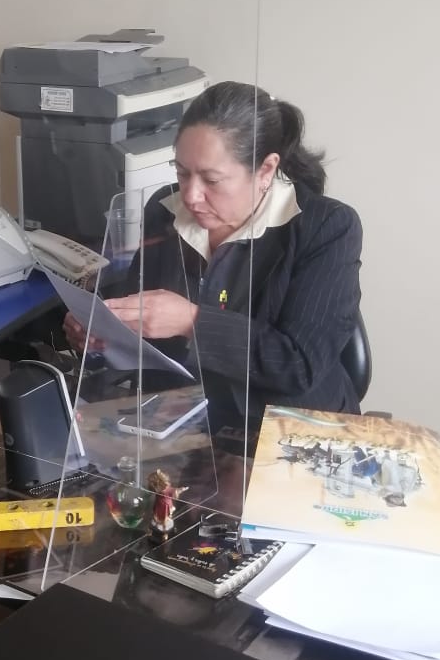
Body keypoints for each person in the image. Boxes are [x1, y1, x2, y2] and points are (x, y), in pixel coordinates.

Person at [66, 81, 362, 431]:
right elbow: (139, 314)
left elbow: (299, 365)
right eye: (182, 172)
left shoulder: (327, 227)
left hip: (288, 429)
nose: (191, 196)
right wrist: (101, 331)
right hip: (182, 422)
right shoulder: (164, 209)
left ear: (266, 170)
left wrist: (192, 321)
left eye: (212, 180)